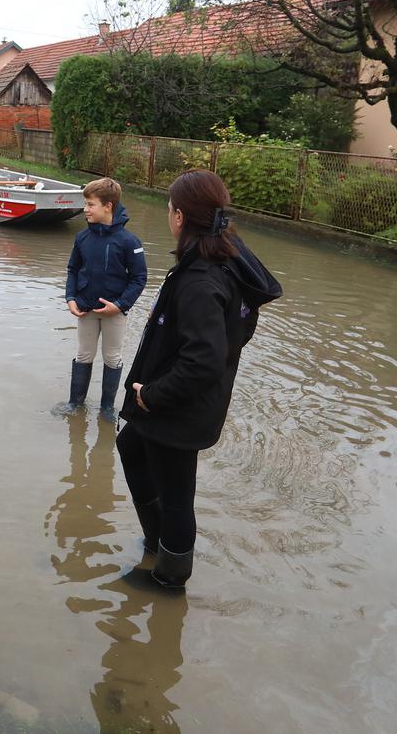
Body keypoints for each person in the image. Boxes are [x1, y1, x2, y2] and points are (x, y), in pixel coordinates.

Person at [117, 169, 281, 589]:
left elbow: (204, 361)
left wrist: (153, 396)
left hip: (178, 407)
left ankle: (171, 578)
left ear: (178, 217)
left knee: (176, 496)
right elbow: (231, 338)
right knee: (130, 445)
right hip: (181, 400)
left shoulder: (201, 280)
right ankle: (157, 541)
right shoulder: (223, 260)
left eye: (170, 208)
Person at [61, 177, 148, 420]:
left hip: (114, 312)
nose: (85, 209)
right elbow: (72, 270)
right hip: (86, 309)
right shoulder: (82, 238)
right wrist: (70, 298)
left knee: (112, 357)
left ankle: (107, 408)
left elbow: (139, 278)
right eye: (86, 204)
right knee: (84, 355)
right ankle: (75, 404)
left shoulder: (130, 242)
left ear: (108, 206)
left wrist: (120, 305)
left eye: (90, 204)